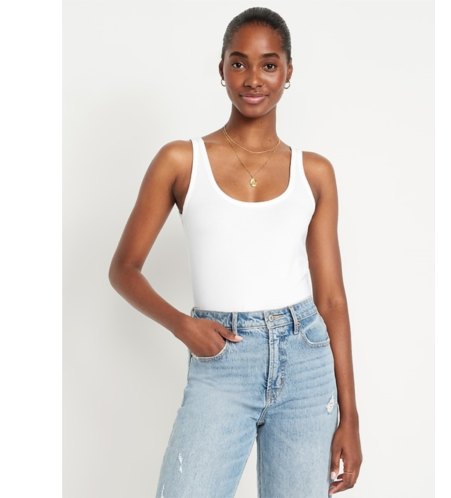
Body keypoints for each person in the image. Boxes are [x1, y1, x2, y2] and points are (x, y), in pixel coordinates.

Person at [109, 7, 362, 497]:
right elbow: (124, 268)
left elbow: (332, 300)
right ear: (222, 69)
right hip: (223, 358)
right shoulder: (181, 160)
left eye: (269, 64)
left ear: (288, 72)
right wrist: (183, 325)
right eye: (239, 62)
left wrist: (350, 418)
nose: (253, 78)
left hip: (306, 361)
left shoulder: (314, 173)